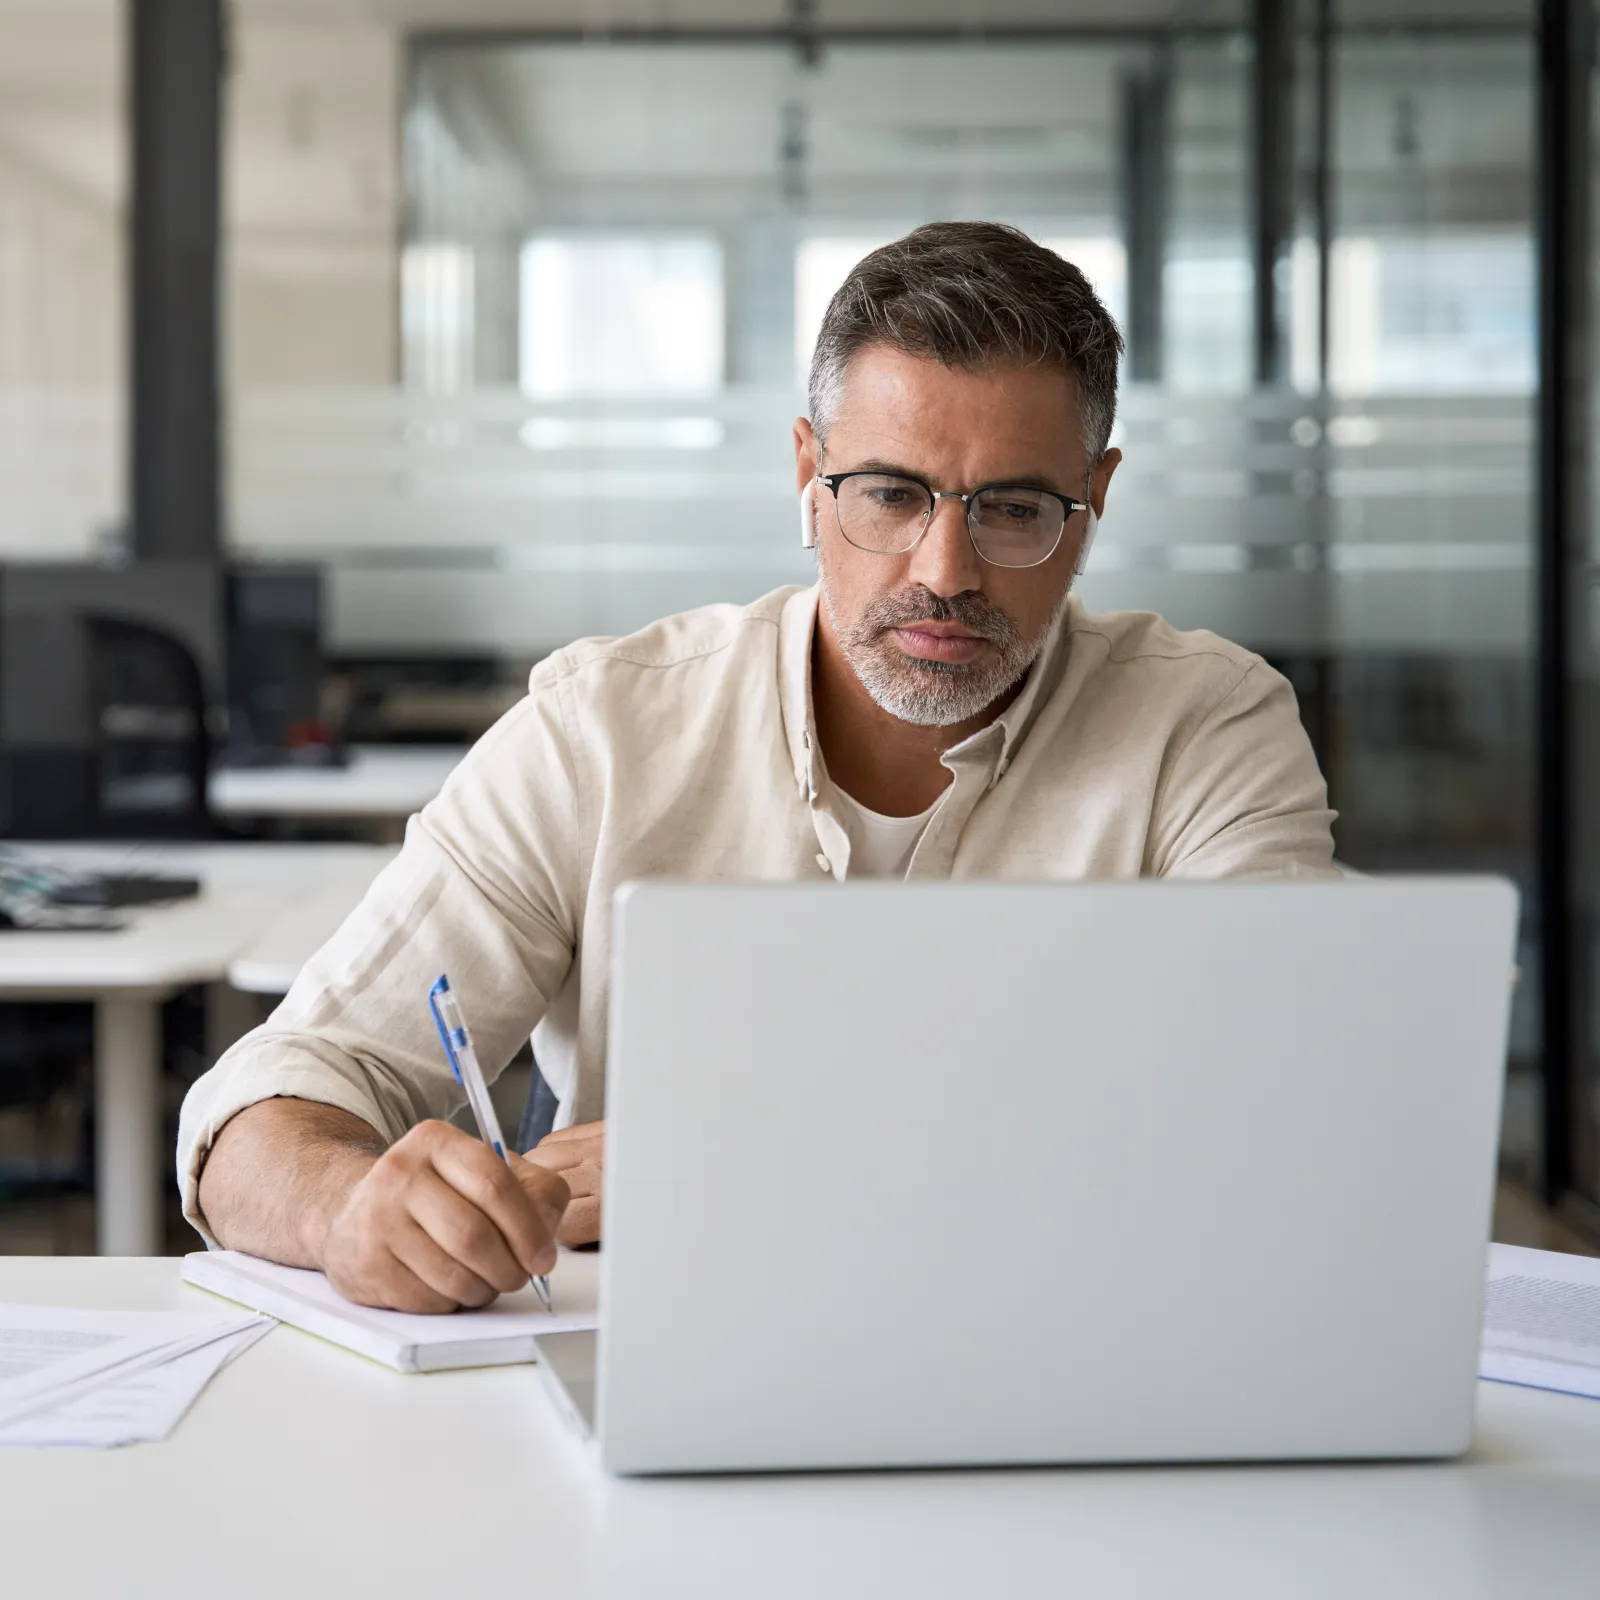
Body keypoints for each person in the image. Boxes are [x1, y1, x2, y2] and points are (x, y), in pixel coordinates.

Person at [180, 221, 1335, 1313]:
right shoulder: (604, 730)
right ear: (807, 471)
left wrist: (742, 1156)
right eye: (887, 493)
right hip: (662, 1360)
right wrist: (348, 1209)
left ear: (1093, 506)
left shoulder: (1205, 729)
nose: (944, 569)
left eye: (1015, 509)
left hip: (1070, 1349)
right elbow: (264, 1106)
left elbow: (1285, 1115)